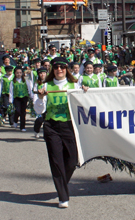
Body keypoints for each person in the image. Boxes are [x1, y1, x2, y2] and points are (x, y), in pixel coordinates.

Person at [34, 57, 81, 208]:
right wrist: (41, 97)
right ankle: (63, 196)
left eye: (62, 67)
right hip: (52, 126)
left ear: (66, 69)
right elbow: (39, 110)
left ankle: (61, 183)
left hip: (69, 126)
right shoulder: (46, 85)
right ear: (52, 70)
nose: (59, 70)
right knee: (57, 161)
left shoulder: (74, 84)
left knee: (72, 161)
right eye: (56, 67)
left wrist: (85, 93)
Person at [9, 67, 32, 131]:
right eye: (17, 73)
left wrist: (31, 96)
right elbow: (11, 91)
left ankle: (22, 127)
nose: (19, 74)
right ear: (15, 74)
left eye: (20, 73)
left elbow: (29, 89)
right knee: (18, 111)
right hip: (16, 98)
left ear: (22, 73)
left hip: (24, 97)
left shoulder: (25, 81)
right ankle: (15, 121)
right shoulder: (13, 82)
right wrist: (10, 100)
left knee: (23, 112)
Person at [33, 67, 48, 139]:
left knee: (46, 120)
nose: (42, 75)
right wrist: (34, 102)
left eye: (44, 73)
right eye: (41, 73)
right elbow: (35, 93)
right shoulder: (37, 83)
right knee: (40, 120)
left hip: (47, 102)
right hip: (39, 101)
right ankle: (36, 130)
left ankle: (46, 134)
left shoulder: (48, 82)